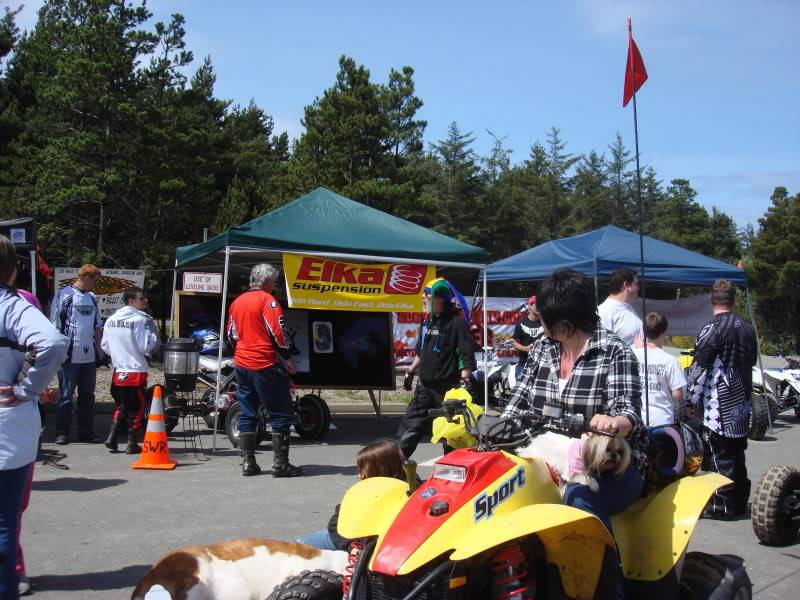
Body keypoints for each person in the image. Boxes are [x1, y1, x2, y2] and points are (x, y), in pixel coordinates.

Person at [502, 268, 646, 534]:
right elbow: (516, 405)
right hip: (547, 459)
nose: (538, 320)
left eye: (543, 316)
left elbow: (629, 413)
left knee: (578, 498)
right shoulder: (542, 349)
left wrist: (614, 421)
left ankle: (603, 573)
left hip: (605, 468)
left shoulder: (615, 352)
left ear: (564, 323)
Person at [1, 235, 68, 599]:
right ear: (12, 271)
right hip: (8, 428)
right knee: (5, 521)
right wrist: (27, 387)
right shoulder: (15, 304)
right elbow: (54, 344)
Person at [686, 280, 757, 520]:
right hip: (742, 400)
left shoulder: (711, 329)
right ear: (734, 300)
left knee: (718, 455)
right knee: (737, 453)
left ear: (710, 300)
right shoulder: (747, 328)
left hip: (719, 405)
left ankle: (721, 505)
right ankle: (738, 501)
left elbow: (699, 368)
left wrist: (689, 400)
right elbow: (753, 361)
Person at [227, 264, 302, 478]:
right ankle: (281, 465)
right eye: (275, 282)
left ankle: (248, 463)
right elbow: (277, 332)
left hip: (242, 364)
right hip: (264, 364)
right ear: (267, 281)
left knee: (247, 410)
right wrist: (287, 358)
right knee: (280, 412)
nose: (275, 286)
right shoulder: (268, 301)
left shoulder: (237, 302)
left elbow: (231, 335)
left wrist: (243, 352)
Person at [399, 279, 477, 458]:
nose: (422, 297)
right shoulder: (427, 322)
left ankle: (453, 471)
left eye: (425, 294)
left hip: (448, 389)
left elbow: (466, 356)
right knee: (409, 427)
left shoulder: (456, 324)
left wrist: (464, 382)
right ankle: (396, 465)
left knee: (451, 435)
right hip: (425, 387)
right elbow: (421, 351)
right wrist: (410, 372)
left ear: (438, 298)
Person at [297, 439, 406, 550]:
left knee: (296, 549)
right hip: (348, 539)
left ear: (379, 469)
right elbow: (337, 522)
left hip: (371, 545)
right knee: (296, 546)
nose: (359, 476)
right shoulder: (368, 488)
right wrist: (351, 545)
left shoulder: (407, 492)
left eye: (363, 470)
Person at [101, 287, 160, 454]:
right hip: (136, 370)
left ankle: (112, 438)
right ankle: (131, 443)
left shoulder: (111, 319)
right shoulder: (139, 320)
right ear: (131, 301)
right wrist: (155, 339)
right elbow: (145, 346)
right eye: (141, 298)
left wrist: (119, 355)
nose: (145, 301)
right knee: (137, 407)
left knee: (122, 405)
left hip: (119, 371)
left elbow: (104, 345)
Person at [51, 264, 104, 445]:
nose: (95, 285)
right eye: (95, 280)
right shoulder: (64, 295)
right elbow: (56, 324)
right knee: (66, 394)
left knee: (88, 395)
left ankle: (86, 431)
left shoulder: (93, 298)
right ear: (87, 278)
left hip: (88, 356)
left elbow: (98, 326)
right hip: (69, 355)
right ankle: (62, 432)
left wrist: (99, 350)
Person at [633, 312, 687, 427]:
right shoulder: (670, 360)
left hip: (636, 417)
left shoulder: (633, 354)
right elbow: (677, 394)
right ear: (664, 333)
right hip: (662, 420)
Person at [597, 268, 643, 347]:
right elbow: (602, 348)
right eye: (636, 284)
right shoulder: (603, 312)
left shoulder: (629, 308)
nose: (638, 288)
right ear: (626, 285)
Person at [511, 295, 544, 378]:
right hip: (524, 364)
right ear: (530, 306)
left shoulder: (545, 322)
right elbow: (513, 342)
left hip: (542, 365)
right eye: (537, 304)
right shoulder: (521, 322)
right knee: (521, 390)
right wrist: (525, 349)